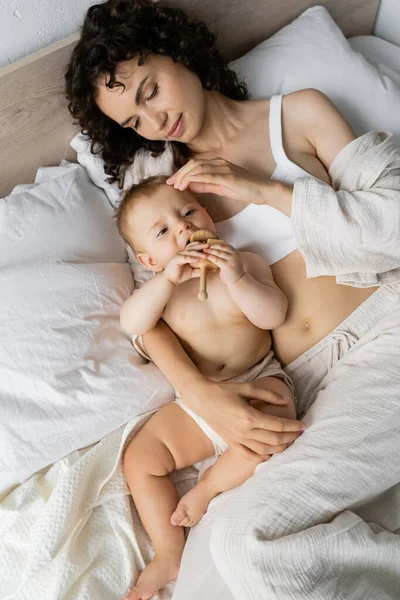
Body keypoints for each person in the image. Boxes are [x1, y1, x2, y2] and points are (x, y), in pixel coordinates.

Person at [66, 1, 400, 598]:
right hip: (294, 386)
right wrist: (200, 395)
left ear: (181, 52)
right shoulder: (161, 202)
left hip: (384, 332)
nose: (154, 119)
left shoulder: (298, 114)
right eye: (134, 121)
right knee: (220, 563)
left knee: (252, 544)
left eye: (150, 88)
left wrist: (265, 190)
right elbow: (150, 323)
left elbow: (393, 223)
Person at [116, 176, 299, 599]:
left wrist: (237, 277)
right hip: (198, 402)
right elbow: (132, 324)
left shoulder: (246, 263)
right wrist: (166, 282)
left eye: (187, 213)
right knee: (140, 459)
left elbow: (273, 315)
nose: (182, 228)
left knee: (276, 420)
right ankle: (168, 552)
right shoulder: (159, 291)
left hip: (258, 377)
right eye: (163, 231)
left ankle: (209, 486)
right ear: (149, 260)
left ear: (209, 217)